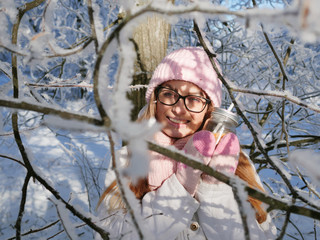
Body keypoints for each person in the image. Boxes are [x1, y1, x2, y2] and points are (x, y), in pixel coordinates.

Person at [95, 47, 277, 239]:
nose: (179, 109)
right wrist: (180, 186)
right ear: (155, 99)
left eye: (194, 99)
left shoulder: (235, 162)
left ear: (209, 109)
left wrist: (215, 188)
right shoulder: (127, 160)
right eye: (169, 94)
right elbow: (108, 236)